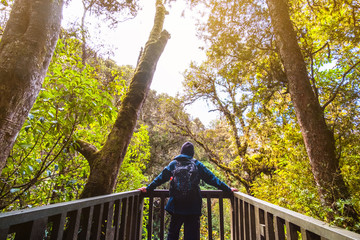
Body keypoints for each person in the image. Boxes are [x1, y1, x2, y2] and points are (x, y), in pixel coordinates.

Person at [139, 142, 238, 240]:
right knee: (192, 236)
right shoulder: (197, 165)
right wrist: (228, 189)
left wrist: (148, 188)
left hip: (176, 206)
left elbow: (160, 178)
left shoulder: (174, 164)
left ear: (181, 152)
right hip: (193, 207)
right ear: (192, 154)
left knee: (172, 235)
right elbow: (213, 179)